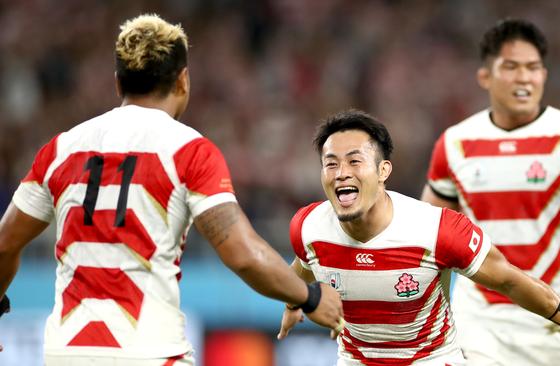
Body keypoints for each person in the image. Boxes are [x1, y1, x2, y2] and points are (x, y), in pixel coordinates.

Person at [0, 14, 343, 366]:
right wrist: (308, 296)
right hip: (148, 352)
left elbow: (4, 243)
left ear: (118, 84)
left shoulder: (62, 149)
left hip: (66, 352)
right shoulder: (189, 151)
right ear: (183, 80)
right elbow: (242, 253)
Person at [277, 109, 560, 365]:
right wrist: (295, 302)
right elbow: (304, 263)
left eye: (354, 161)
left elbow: (510, 281)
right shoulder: (308, 226)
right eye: (331, 164)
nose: (342, 173)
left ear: (383, 171)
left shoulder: (436, 229)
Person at [420, 19, 560, 365]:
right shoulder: (455, 143)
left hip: (557, 321)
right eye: (511, 67)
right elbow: (428, 238)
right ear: (484, 77)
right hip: (477, 324)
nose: (524, 78)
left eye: (533, 68)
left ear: (544, 76)